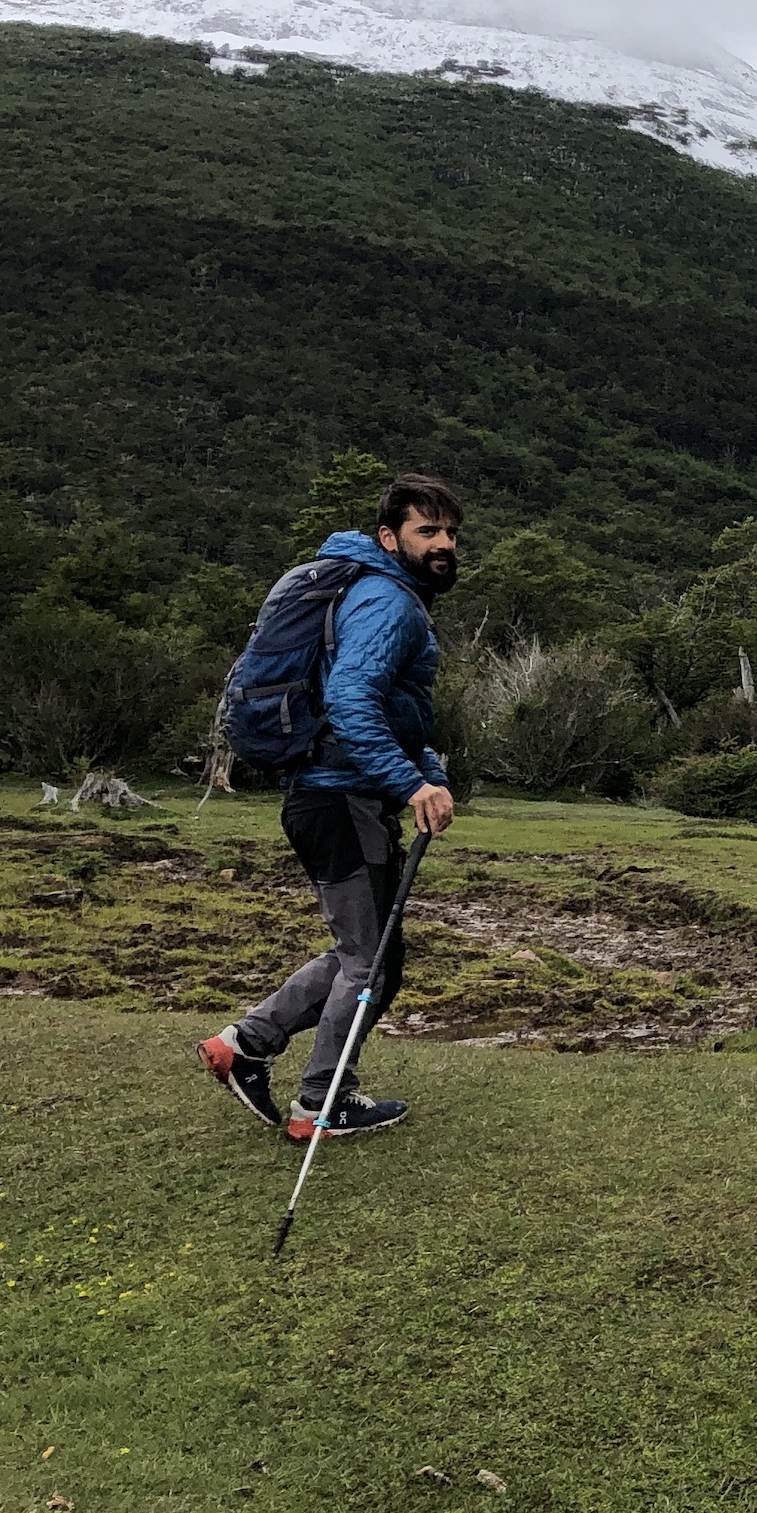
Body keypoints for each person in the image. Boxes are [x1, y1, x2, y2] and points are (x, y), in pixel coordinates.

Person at [198, 474, 463, 1140]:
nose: (443, 544)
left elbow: (385, 708)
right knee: (370, 961)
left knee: (367, 953)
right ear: (388, 536)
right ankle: (321, 1101)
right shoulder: (388, 601)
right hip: (340, 796)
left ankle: (245, 1045)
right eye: (426, 531)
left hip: (331, 793)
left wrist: (422, 764)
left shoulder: (365, 588)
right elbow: (350, 703)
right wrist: (411, 784)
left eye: (450, 532)